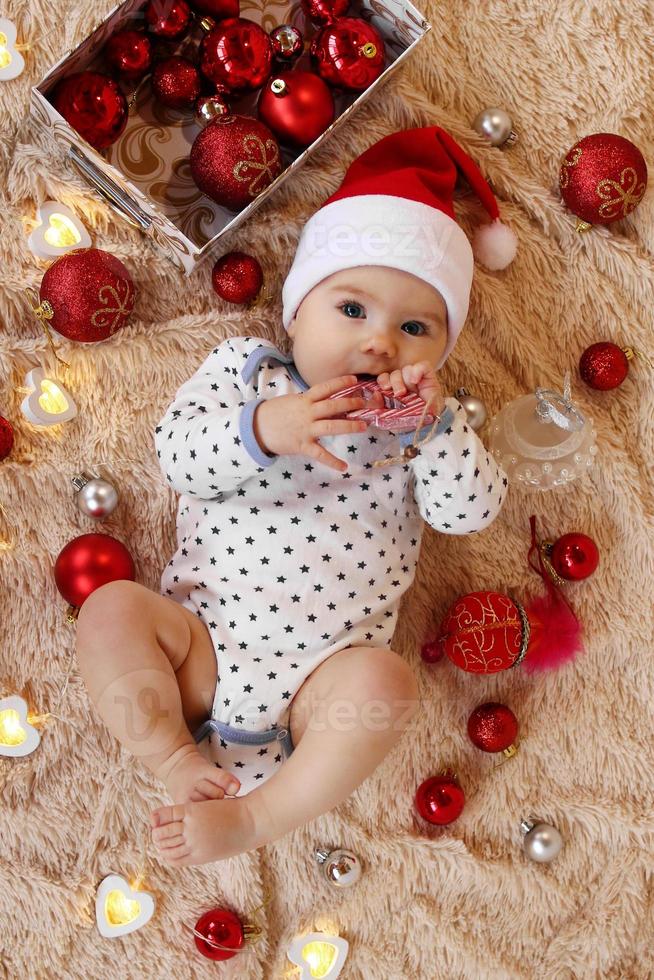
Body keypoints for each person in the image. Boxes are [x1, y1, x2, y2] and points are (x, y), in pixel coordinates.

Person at [76, 125, 515, 866]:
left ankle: (258, 818)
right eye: (351, 310)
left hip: (322, 680)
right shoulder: (250, 375)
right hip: (199, 644)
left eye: (414, 328)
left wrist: (436, 431)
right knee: (110, 610)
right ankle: (172, 759)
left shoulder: (420, 430)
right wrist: (264, 429)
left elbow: (470, 515)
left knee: (387, 684)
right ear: (296, 309)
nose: (380, 343)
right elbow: (177, 455)